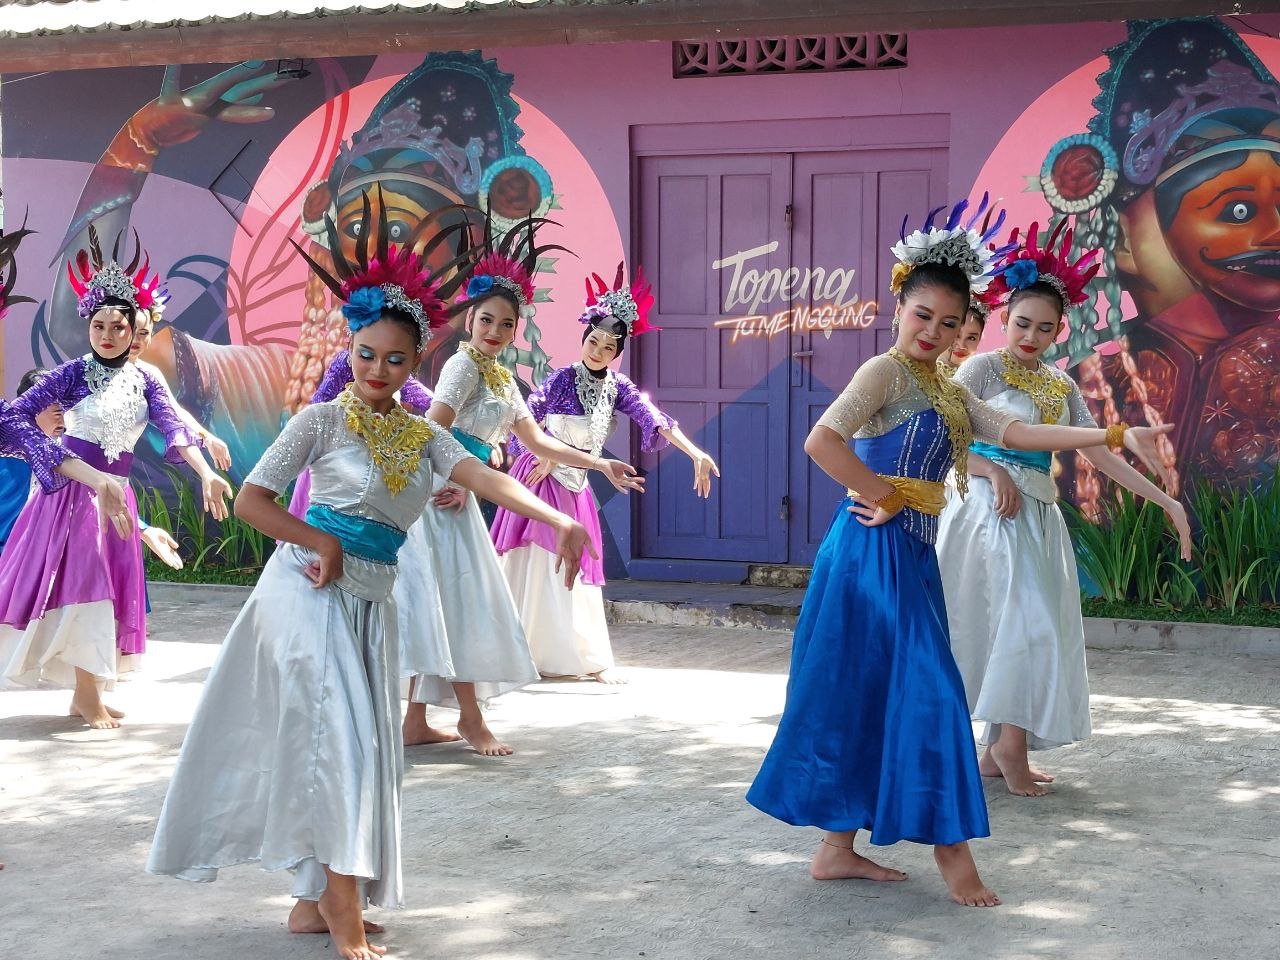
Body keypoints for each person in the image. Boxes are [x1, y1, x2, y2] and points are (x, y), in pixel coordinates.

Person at [147, 210, 594, 960]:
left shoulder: (424, 434)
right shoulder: (320, 421)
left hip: (373, 603)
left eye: (394, 359)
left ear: (417, 361)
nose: (377, 370)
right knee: (340, 745)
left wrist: (561, 521)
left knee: (345, 744)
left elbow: (483, 474)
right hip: (307, 594)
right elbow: (256, 498)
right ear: (350, 351)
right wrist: (318, 536)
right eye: (365, 354)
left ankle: (310, 900)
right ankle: (344, 921)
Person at [745, 196, 1182, 906]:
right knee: (936, 696)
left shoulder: (946, 387)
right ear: (898, 309)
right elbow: (821, 439)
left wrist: (1106, 437)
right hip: (867, 556)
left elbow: (1016, 437)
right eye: (924, 316)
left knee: (875, 694)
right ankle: (954, 856)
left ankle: (835, 850)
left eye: (950, 323)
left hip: (912, 557)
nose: (935, 331)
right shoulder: (883, 374)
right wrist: (882, 494)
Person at [936, 222, 1192, 796]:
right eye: (1022, 323)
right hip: (989, 511)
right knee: (1016, 624)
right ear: (1005, 321)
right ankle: (1010, 748)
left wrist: (1165, 500)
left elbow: (1097, 453)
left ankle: (996, 752)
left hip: (1038, 516)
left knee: (1024, 626)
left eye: (1044, 328)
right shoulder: (978, 369)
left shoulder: (1059, 383)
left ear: (1059, 332)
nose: (1031, 335)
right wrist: (992, 468)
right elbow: (945, 435)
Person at [400, 220, 643, 755]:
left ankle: (416, 722)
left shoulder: (503, 378)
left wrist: (600, 465)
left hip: (460, 492)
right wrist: (463, 478)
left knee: (443, 605)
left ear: (515, 330)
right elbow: (433, 431)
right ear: (470, 321)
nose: (494, 330)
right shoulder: (464, 368)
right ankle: (471, 720)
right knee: (458, 605)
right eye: (486, 319)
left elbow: (540, 444)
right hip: (442, 497)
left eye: (505, 324)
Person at [0, 234, 230, 727]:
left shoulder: (146, 379)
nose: (107, 334)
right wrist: (64, 467)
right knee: (89, 586)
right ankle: (87, 694)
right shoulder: (70, 374)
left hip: (116, 497)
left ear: (133, 331)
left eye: (118, 327)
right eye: (99, 325)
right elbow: (12, 420)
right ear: (89, 327)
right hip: (70, 497)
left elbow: (173, 427)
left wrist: (207, 472)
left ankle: (85, 693)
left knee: (110, 587)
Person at [491, 264, 719, 682]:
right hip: (542, 475)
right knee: (540, 563)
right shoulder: (562, 378)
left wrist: (695, 451)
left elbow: (656, 418)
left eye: (607, 346)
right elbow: (525, 419)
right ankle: (527, 651)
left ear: (617, 353)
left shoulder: (619, 388)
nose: (597, 350)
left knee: (577, 565)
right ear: (583, 339)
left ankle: (576, 656)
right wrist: (534, 453)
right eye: (592, 341)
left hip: (577, 482)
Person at [936, 296, 988, 378]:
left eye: (971, 338)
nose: (961, 346)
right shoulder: (917, 369)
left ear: (980, 338)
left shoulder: (981, 379)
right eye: (956, 335)